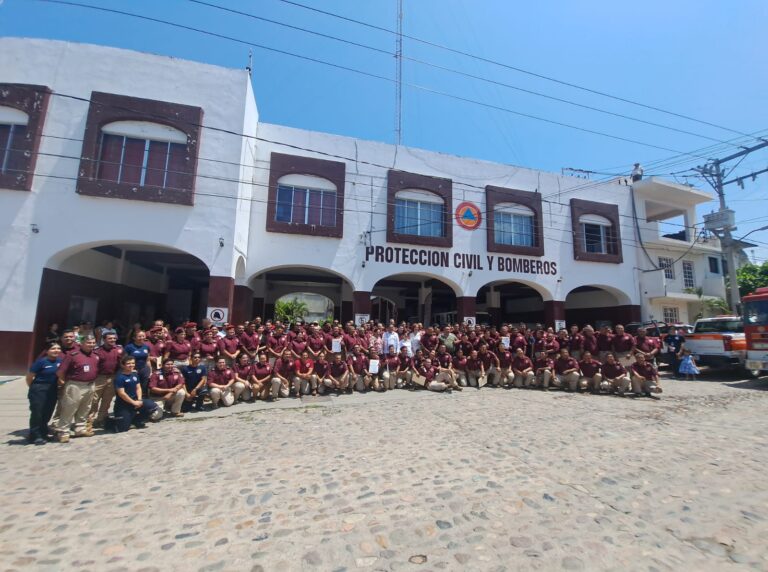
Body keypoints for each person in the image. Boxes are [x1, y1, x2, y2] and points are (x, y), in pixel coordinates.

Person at [55, 335, 100, 443]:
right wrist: (64, 382)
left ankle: (80, 428)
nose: (91, 345)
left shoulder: (95, 355)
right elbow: (60, 372)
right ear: (82, 343)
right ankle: (63, 431)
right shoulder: (73, 355)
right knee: (69, 408)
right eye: (89, 343)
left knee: (85, 408)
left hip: (90, 385)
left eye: (93, 343)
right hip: (75, 385)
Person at [26, 343, 62, 444]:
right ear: (47, 351)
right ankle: (34, 435)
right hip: (39, 389)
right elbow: (29, 377)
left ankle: (43, 433)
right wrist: (34, 388)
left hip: (53, 389)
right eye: (53, 348)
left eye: (58, 348)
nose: (56, 350)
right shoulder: (41, 362)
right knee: (37, 412)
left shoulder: (60, 361)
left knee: (47, 412)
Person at [113, 356, 161, 433]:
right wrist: (133, 402)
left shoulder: (134, 374)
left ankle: (137, 420)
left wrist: (139, 400)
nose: (131, 365)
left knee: (152, 406)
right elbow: (122, 393)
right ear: (123, 365)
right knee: (122, 429)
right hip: (123, 404)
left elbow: (138, 388)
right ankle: (113, 422)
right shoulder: (119, 377)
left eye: (133, 363)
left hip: (136, 401)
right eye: (128, 363)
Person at [90, 332, 123, 429]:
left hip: (112, 377)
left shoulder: (118, 350)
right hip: (99, 378)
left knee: (107, 400)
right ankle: (90, 419)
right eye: (110, 338)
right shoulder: (97, 351)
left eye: (114, 338)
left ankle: (100, 419)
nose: (112, 340)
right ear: (104, 339)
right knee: (94, 400)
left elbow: (123, 363)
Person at [124, 330, 152, 396]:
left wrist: (150, 371)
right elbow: (124, 360)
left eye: (143, 336)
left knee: (144, 387)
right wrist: (128, 370)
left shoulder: (146, 347)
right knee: (132, 387)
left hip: (144, 369)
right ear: (134, 338)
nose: (142, 338)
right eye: (139, 336)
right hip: (132, 369)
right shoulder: (129, 347)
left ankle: (142, 401)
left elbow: (148, 360)